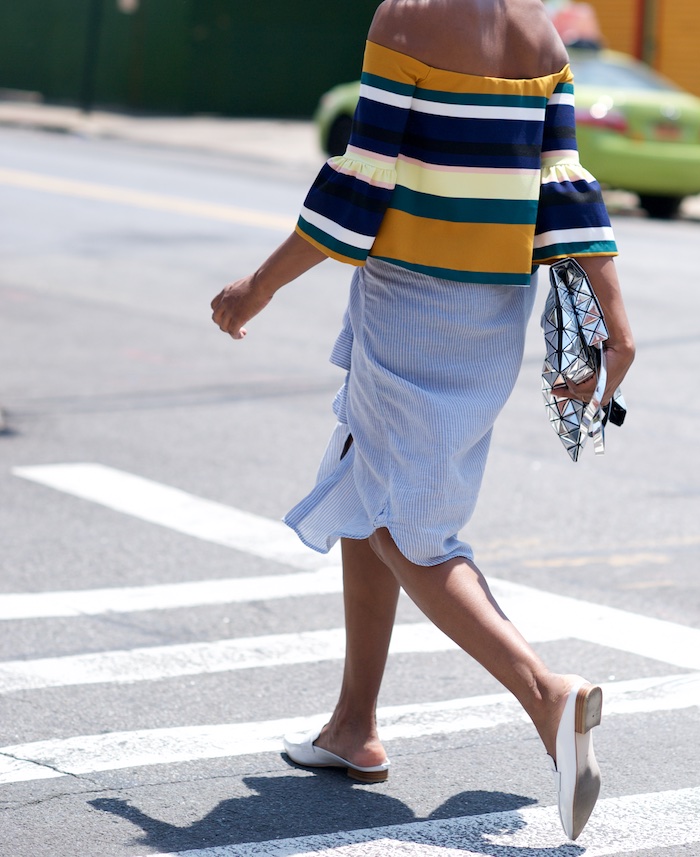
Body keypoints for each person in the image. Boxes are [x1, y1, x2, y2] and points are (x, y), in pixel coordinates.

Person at [211, 0, 634, 841]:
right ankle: (353, 727)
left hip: (410, 301)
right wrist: (617, 322)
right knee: (372, 488)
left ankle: (546, 695)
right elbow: (565, 192)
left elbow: (362, 184)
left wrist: (258, 285)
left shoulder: (406, 19)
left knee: (412, 528)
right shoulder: (540, 33)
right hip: (493, 310)